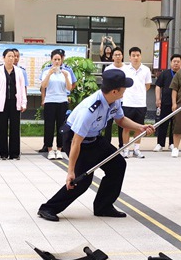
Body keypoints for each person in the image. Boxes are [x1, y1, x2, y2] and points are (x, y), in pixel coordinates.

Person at [37, 69, 155, 222]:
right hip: (75, 139)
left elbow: (120, 119)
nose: (125, 91)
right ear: (114, 90)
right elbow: (75, 142)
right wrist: (70, 171)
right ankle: (48, 208)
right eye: (123, 88)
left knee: (118, 165)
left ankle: (103, 207)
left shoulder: (115, 100)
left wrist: (140, 127)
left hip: (94, 138)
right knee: (81, 181)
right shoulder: (90, 109)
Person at [0, 49, 27, 160]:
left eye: (13, 56)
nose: (12, 58)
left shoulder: (19, 71)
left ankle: (15, 153)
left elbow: (22, 88)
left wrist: (23, 102)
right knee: (2, 128)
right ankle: (3, 153)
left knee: (15, 128)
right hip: (3, 103)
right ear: (4, 58)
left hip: (15, 102)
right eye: (9, 56)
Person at [40, 49, 76, 160]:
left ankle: (60, 149)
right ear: (51, 60)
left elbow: (69, 88)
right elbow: (44, 85)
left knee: (61, 126)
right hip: (50, 101)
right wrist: (49, 74)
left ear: (61, 60)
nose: (56, 61)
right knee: (49, 126)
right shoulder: (46, 71)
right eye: (55, 59)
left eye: (58, 59)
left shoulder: (66, 72)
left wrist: (65, 76)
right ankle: (50, 149)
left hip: (62, 102)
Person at [118, 47, 152, 158]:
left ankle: (136, 149)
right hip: (127, 102)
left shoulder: (146, 70)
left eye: (138, 55)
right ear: (130, 57)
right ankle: (125, 149)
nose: (136, 57)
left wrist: (139, 93)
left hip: (141, 103)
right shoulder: (125, 70)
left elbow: (147, 86)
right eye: (133, 55)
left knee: (140, 127)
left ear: (140, 56)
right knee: (126, 128)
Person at [153, 54, 181, 152]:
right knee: (163, 123)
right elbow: (157, 86)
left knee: (175, 124)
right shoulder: (165, 73)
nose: (176, 63)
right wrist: (158, 99)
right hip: (165, 102)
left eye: (178, 61)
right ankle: (160, 143)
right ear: (171, 63)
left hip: (179, 104)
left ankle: (172, 143)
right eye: (174, 61)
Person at [102, 47, 125, 144]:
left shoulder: (127, 68)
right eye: (116, 55)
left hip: (124, 100)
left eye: (119, 54)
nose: (118, 57)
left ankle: (122, 145)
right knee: (108, 124)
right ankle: (107, 144)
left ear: (122, 56)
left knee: (121, 123)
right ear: (112, 57)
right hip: (111, 100)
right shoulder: (108, 68)